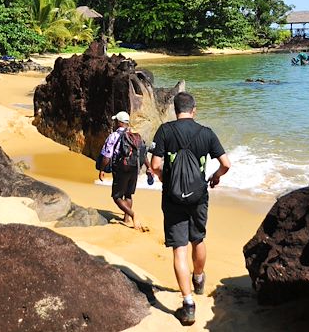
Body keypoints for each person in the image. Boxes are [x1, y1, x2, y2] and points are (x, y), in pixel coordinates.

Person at [150, 92, 231, 326]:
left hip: (173, 198)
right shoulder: (206, 132)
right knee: (198, 239)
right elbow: (226, 164)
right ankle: (198, 278)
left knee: (179, 250)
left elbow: (155, 165)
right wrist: (215, 177)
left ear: (175, 110)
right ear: (193, 110)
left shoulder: (165, 130)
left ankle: (187, 304)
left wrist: (167, 180)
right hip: (199, 196)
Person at [99, 111, 149, 230]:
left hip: (122, 169)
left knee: (116, 197)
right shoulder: (135, 135)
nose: (115, 123)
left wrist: (102, 169)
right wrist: (149, 167)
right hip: (134, 169)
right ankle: (126, 219)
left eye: (116, 121)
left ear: (120, 123)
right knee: (128, 194)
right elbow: (143, 153)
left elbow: (107, 156)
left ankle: (132, 214)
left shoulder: (114, 136)